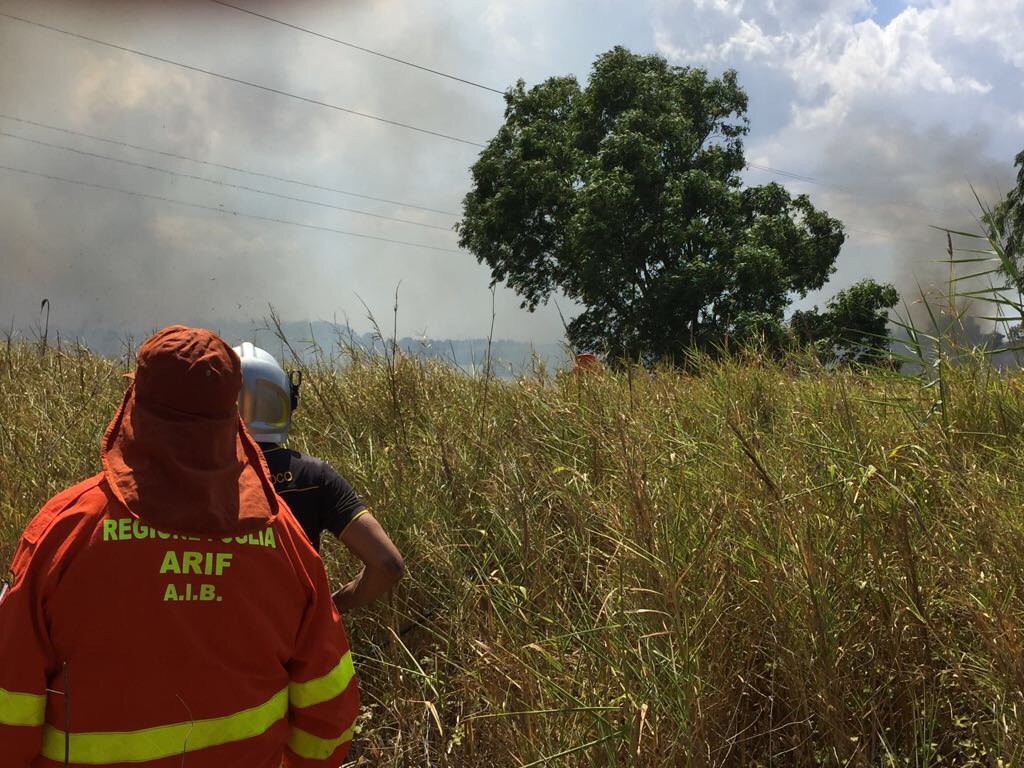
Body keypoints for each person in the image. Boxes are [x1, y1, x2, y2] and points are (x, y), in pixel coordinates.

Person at [0, 326, 358, 767]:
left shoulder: (66, 529)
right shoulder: (280, 534)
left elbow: (9, 701)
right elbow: (329, 707)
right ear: (232, 417)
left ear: (136, 405)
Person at [233, 343, 404, 613]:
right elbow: (387, 565)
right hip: (297, 644)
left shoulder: (189, 476)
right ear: (285, 401)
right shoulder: (315, 476)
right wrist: (326, 612)